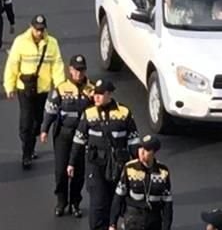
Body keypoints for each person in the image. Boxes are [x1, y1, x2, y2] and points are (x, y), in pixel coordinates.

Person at [69, 79, 140, 230]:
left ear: (109, 94)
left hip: (118, 165)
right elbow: (78, 140)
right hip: (96, 166)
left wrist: (138, 164)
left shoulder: (124, 113)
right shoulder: (88, 114)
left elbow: (134, 141)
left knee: (116, 202)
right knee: (98, 204)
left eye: (101, 94)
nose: (96, 97)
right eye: (95, 94)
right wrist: (71, 163)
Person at [4, 14, 65, 169]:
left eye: (42, 30)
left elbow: (57, 66)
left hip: (42, 90)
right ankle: (27, 153)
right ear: (31, 27)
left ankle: (30, 144)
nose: (39, 32)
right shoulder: (20, 42)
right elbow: (12, 65)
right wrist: (9, 86)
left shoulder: (51, 43)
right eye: (37, 29)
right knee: (26, 122)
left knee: (37, 121)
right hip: (24, 89)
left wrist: (61, 88)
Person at [41, 54, 93, 218]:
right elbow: (50, 111)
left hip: (83, 136)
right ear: (70, 70)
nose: (79, 73)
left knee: (78, 172)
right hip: (63, 134)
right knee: (61, 170)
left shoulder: (91, 91)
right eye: (76, 70)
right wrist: (44, 129)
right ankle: (61, 202)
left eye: (82, 70)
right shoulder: (61, 89)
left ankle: (75, 203)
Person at [110, 134, 173, 230]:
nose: (142, 152)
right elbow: (119, 196)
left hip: (153, 219)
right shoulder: (130, 168)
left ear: (154, 152)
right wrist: (112, 224)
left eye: (147, 150)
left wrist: (166, 227)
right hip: (133, 218)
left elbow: (167, 203)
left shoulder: (163, 172)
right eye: (140, 148)